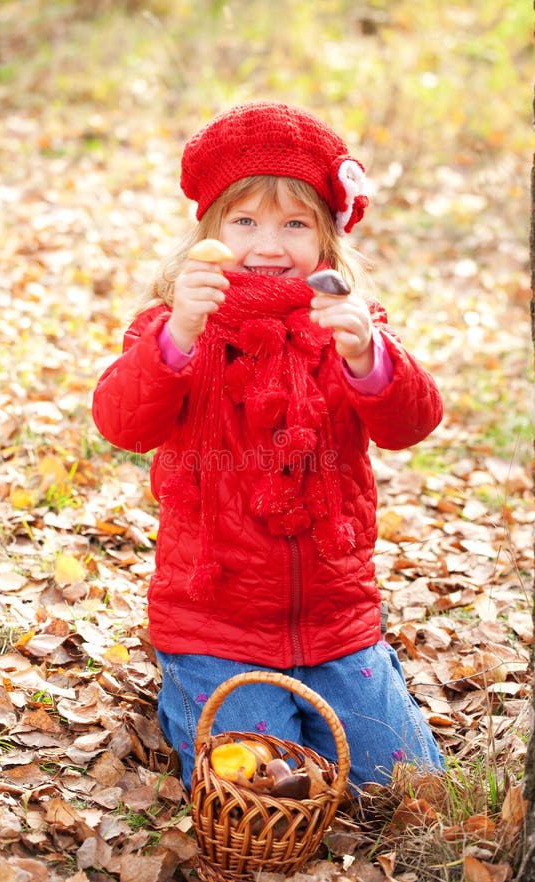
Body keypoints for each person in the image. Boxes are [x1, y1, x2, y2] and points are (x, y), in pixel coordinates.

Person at [92, 101, 444, 792]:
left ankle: (348, 700)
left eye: (294, 223)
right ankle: (191, 696)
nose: (269, 244)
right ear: (211, 230)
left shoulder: (347, 324)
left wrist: (368, 355)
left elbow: (412, 424)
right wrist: (180, 337)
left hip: (335, 621)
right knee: (257, 784)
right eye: (245, 221)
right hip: (216, 622)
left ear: (326, 240)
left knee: (407, 785)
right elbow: (122, 423)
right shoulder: (178, 325)